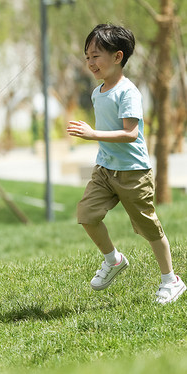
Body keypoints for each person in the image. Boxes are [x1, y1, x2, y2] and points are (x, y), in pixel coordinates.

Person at [67, 24, 185, 304]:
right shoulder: (98, 92)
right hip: (105, 169)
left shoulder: (128, 92)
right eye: (87, 57)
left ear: (117, 56)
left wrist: (93, 134)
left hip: (134, 173)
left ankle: (171, 280)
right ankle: (114, 259)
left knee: (148, 227)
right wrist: (96, 138)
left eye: (96, 56)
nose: (90, 62)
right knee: (86, 214)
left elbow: (131, 133)